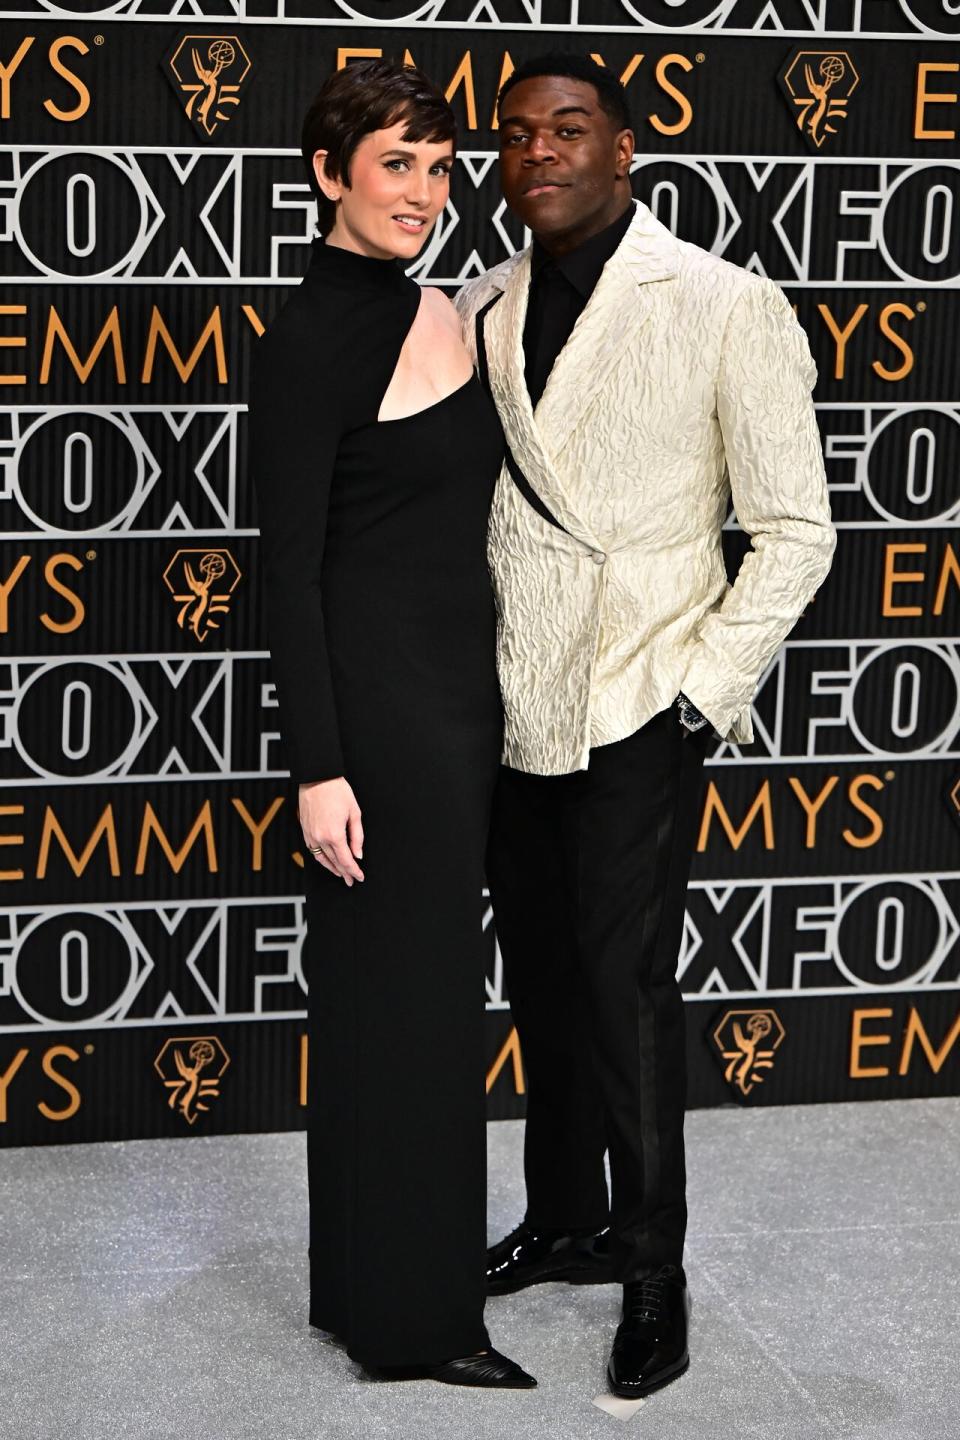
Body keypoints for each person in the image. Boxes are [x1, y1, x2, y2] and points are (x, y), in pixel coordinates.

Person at [455, 53, 835, 1400]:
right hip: (510, 695)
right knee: (547, 981)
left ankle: (652, 1267)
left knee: (625, 991)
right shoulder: (478, 303)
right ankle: (562, 1218)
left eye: (567, 129)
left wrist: (701, 689)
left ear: (626, 151)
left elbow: (797, 531)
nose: (537, 152)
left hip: (639, 689)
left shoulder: (724, 303)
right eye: (514, 135)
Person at [248, 58, 534, 1389]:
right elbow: (284, 564)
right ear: (329, 178)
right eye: (393, 167)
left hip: (461, 696)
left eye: (435, 165)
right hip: (381, 715)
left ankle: (362, 1288)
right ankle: (419, 1325)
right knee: (406, 1010)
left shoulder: (447, 309)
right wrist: (319, 769)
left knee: (400, 1003)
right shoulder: (313, 335)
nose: (422, 191)